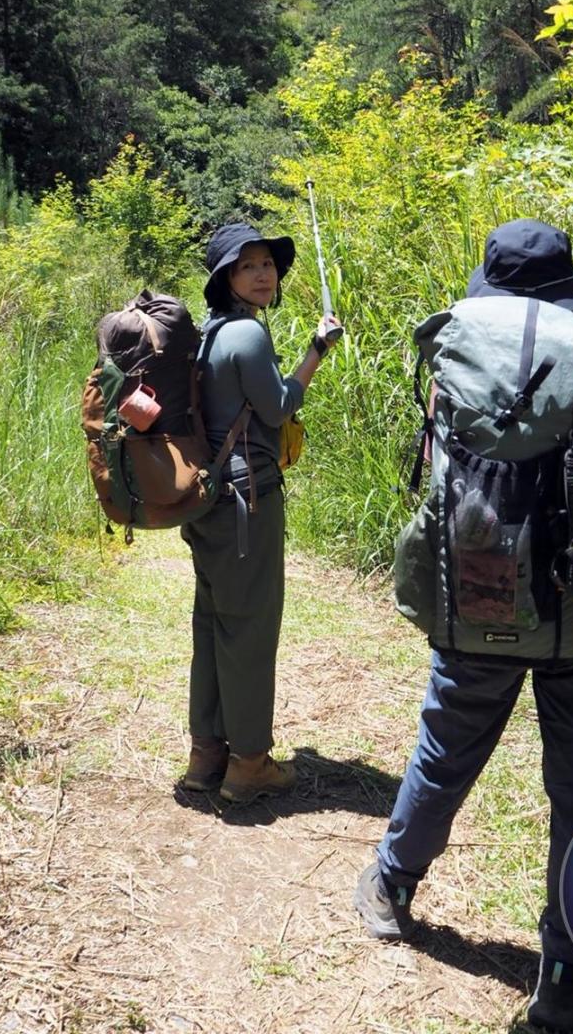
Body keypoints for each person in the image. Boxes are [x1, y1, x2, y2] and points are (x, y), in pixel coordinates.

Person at [353, 219, 573, 1032]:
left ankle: (393, 884)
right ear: (566, 290)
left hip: (475, 596)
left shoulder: (455, 366)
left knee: (446, 748)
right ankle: (565, 966)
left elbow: (435, 471)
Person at [181, 222, 340, 805]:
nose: (263, 273)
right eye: (248, 265)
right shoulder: (246, 335)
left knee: (213, 624)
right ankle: (248, 763)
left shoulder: (208, 332)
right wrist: (316, 351)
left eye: (268, 263)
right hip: (247, 503)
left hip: (208, 502)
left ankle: (206, 755)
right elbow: (277, 409)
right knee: (247, 630)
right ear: (226, 277)